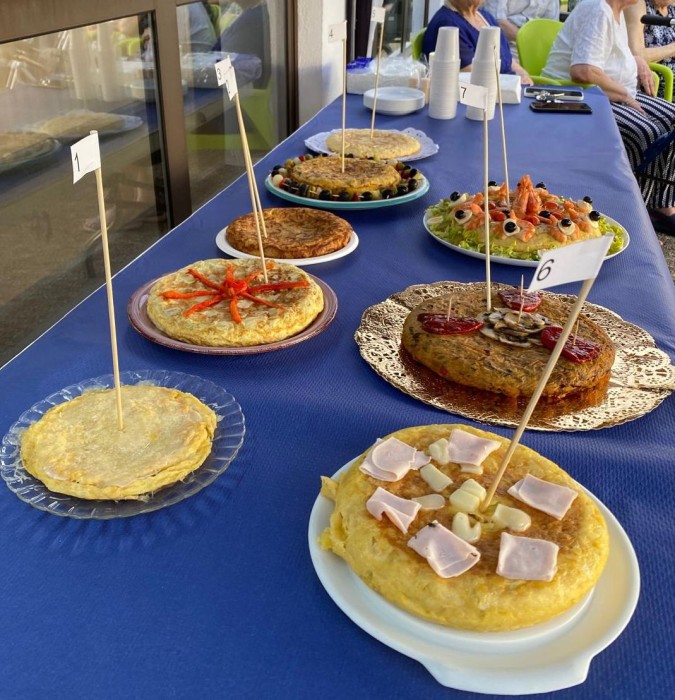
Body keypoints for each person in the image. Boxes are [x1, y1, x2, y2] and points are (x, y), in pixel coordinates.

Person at [543, 0, 675, 234]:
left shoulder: (617, 13)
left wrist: (634, 64)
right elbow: (583, 71)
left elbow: (610, 59)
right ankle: (634, 211)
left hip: (611, 93)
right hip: (575, 95)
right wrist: (625, 96)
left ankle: (661, 204)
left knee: (672, 120)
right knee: (645, 133)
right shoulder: (598, 9)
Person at [422, 0, 534, 84]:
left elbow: (509, 60)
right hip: (483, 100)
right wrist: (515, 84)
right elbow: (474, 78)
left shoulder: (486, 17)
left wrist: (524, 76)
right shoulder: (448, 25)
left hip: (509, 92)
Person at [626, 0, 675, 94]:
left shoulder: (671, 8)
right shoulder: (638, 4)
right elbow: (636, 54)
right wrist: (672, 49)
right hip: (655, 87)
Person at [482, 0, 560, 52]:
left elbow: (551, 28)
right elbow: (497, 23)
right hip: (505, 45)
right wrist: (530, 41)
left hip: (537, 48)